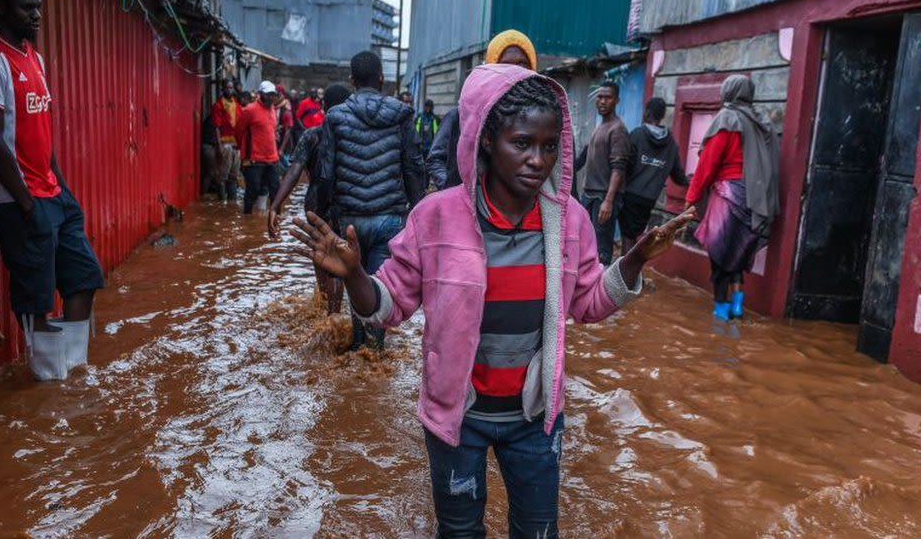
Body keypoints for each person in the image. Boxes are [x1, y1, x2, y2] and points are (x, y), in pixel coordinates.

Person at [291, 64, 694, 537]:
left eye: (548, 147)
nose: (536, 160)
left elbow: (586, 303)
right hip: (456, 418)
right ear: (485, 139)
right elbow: (389, 305)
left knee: (537, 531)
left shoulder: (569, 222)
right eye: (521, 143)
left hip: (534, 417)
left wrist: (634, 262)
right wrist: (357, 273)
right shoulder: (436, 218)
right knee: (460, 531)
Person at [0, 0, 104, 380]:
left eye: (39, 7)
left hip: (54, 193)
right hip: (18, 199)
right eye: (27, 7)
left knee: (84, 278)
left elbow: (42, 131)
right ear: (0, 5)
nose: (37, 15)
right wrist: (25, 202)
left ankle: (72, 373)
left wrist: (64, 191)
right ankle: (48, 384)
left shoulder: (34, 57)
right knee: (35, 298)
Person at [318, 50, 424, 350]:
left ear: (352, 80)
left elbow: (326, 173)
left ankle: (356, 347)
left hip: (348, 218)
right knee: (380, 285)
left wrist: (324, 215)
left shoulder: (335, 117)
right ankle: (374, 352)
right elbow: (413, 166)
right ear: (382, 78)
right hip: (389, 218)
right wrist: (419, 214)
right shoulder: (402, 114)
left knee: (354, 279)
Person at [685, 74, 780, 321]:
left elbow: (708, 163)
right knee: (739, 252)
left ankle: (721, 312)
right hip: (755, 198)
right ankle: (738, 306)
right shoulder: (761, 122)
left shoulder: (727, 118)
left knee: (720, 253)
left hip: (729, 195)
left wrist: (692, 197)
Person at [268, 84, 352, 313]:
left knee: (322, 257)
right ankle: (336, 316)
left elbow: (293, 173)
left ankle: (330, 314)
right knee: (341, 261)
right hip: (348, 206)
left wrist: (275, 206)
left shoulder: (312, 135)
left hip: (316, 205)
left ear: (323, 107)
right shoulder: (357, 136)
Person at [428, 29, 537, 190]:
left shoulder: (546, 119)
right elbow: (435, 159)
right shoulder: (463, 115)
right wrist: (453, 191)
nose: (515, 73)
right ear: (492, 68)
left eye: (522, 65)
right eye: (505, 65)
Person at [620, 97, 687, 255]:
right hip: (649, 199)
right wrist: (693, 181)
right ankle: (633, 274)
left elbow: (625, 166)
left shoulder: (637, 134)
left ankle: (626, 276)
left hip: (630, 195)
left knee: (627, 238)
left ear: (647, 113)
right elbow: (678, 176)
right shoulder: (671, 143)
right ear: (662, 115)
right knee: (636, 236)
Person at [577, 80, 630, 265]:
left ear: (617, 100)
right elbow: (583, 158)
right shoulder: (600, 126)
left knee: (601, 249)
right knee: (585, 243)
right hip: (589, 194)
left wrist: (608, 201)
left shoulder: (618, 130)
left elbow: (619, 168)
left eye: (608, 97)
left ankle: (601, 289)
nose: (602, 101)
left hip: (603, 197)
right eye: (600, 97)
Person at [236, 80, 280, 214]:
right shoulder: (250, 110)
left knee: (276, 190)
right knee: (252, 189)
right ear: (261, 94)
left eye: (273, 94)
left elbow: (271, 130)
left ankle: (275, 218)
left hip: (272, 157)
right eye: (269, 94)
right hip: (254, 158)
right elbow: (239, 131)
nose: (272, 97)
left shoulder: (273, 109)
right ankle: (247, 218)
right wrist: (243, 152)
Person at [209, 79, 243, 201]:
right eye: (227, 88)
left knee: (234, 175)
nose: (229, 90)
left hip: (236, 145)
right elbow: (216, 127)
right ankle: (222, 203)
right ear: (222, 89)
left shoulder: (237, 105)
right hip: (225, 144)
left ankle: (232, 203)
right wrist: (218, 146)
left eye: (231, 88)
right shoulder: (218, 106)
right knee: (222, 175)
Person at [274, 84, 294, 161]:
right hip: (276, 139)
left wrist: (282, 148)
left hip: (284, 141)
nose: (275, 97)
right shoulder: (274, 107)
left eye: (277, 94)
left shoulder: (286, 109)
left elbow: (288, 131)